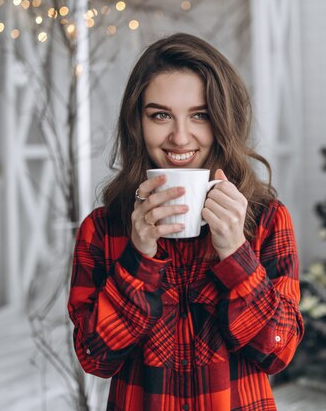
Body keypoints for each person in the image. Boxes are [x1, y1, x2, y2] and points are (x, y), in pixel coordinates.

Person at [68, 33, 303, 411]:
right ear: (137, 124)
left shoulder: (266, 219)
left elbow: (278, 351)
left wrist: (235, 253)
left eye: (200, 115)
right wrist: (139, 258)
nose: (180, 138)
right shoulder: (104, 229)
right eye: (160, 115)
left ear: (223, 120)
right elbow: (96, 358)